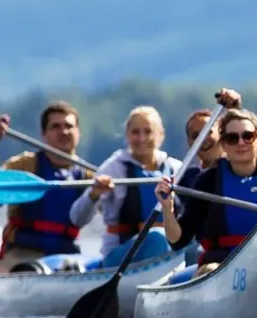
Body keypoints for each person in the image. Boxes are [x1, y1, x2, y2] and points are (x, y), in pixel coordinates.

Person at [158, 106, 257, 284]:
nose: (241, 143)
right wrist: (167, 207)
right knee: (210, 270)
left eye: (247, 136)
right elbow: (178, 240)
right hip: (220, 262)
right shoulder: (208, 180)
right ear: (223, 144)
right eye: (232, 138)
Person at [0, 101, 88, 274]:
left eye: (69, 126)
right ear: (44, 134)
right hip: (21, 253)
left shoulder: (89, 176)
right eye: (55, 127)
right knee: (4, 270)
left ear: (78, 133)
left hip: (67, 256)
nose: (64, 132)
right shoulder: (23, 166)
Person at [69, 105, 184, 268]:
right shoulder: (113, 168)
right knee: (157, 236)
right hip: (120, 258)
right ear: (127, 135)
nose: (142, 138)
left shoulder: (176, 169)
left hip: (168, 254)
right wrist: (94, 193)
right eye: (136, 132)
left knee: (193, 244)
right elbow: (76, 218)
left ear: (161, 135)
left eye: (148, 131)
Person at [176, 88, 240, 189]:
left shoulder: (240, 169)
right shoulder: (187, 179)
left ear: (221, 134)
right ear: (189, 143)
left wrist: (235, 108)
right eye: (196, 136)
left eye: (208, 132)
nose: (202, 139)